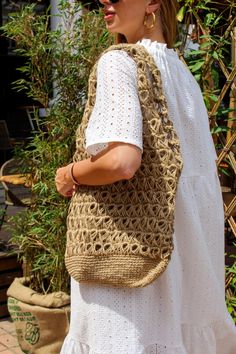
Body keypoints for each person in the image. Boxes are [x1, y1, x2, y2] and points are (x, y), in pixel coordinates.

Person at [55, 0, 236, 353]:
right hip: (181, 272)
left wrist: (70, 173)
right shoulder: (183, 75)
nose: (106, 1)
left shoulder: (118, 62)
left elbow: (122, 161)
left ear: (153, 2)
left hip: (125, 265)